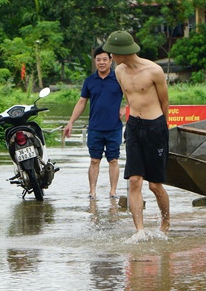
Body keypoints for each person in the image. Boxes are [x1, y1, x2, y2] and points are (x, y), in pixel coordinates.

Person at [103, 30, 171, 238]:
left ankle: (166, 219)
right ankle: (139, 231)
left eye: (112, 53)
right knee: (134, 180)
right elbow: (128, 97)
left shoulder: (154, 71)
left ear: (123, 52)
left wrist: (163, 130)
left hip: (155, 127)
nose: (110, 58)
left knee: (154, 185)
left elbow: (165, 101)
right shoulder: (119, 72)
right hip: (133, 127)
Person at [63, 46, 125, 199]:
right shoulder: (90, 81)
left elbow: (133, 95)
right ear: (95, 62)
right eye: (98, 60)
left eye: (105, 59)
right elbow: (81, 103)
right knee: (94, 160)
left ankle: (113, 192)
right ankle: (92, 192)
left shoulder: (119, 79)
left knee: (113, 160)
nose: (101, 62)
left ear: (111, 61)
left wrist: (126, 108)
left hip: (114, 127)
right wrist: (70, 122)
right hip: (95, 128)